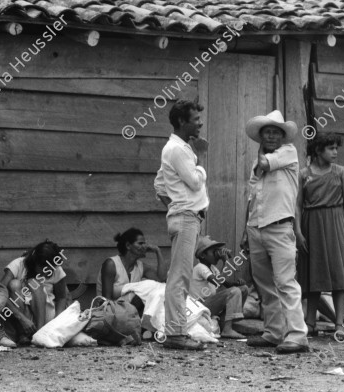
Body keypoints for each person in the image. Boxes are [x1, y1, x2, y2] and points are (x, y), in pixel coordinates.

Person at [240, 110, 309, 354]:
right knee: (264, 284)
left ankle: (297, 335)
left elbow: (264, 163)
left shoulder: (288, 153)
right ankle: (273, 332)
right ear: (261, 137)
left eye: (274, 132)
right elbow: (252, 199)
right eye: (266, 132)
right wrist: (245, 232)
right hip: (256, 227)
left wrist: (261, 151)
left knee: (285, 282)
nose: (270, 136)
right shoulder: (255, 165)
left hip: (280, 227)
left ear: (282, 137)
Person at [153, 99, 209, 350]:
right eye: (195, 119)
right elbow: (196, 182)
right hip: (187, 217)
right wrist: (200, 163)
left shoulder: (176, 148)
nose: (200, 123)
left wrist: (173, 205)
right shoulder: (178, 149)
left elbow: (159, 185)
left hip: (183, 216)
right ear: (181, 122)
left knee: (179, 275)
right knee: (180, 277)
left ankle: (176, 331)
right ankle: (175, 334)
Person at [295, 132, 344, 339]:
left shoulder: (340, 172)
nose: (335, 152)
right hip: (311, 224)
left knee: (337, 273)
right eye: (330, 148)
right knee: (313, 272)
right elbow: (297, 205)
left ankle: (339, 323)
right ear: (318, 150)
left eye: (336, 148)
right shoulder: (304, 174)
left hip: (335, 222)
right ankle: (310, 322)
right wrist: (298, 231)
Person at [1, 240, 68, 345]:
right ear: (35, 261)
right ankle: (22, 335)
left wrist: (57, 323)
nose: (48, 271)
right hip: (20, 319)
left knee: (34, 282)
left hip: (45, 319)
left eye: (51, 268)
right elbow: (0, 294)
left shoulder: (56, 269)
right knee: (14, 284)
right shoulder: (18, 264)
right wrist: (21, 318)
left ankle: (39, 334)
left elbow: (61, 298)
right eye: (44, 268)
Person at [96, 228, 168, 314]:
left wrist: (157, 251)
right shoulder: (111, 264)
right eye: (140, 243)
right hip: (108, 313)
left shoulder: (141, 267)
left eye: (144, 243)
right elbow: (106, 300)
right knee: (144, 291)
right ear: (128, 246)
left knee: (158, 288)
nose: (145, 246)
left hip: (129, 313)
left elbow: (162, 279)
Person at [190, 236, 248, 339]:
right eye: (214, 252)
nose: (217, 255)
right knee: (233, 292)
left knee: (243, 289)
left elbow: (226, 284)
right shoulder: (200, 268)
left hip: (209, 305)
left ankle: (224, 322)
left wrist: (237, 283)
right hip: (200, 306)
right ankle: (227, 330)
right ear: (203, 255)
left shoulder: (212, 268)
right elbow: (218, 281)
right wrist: (225, 261)